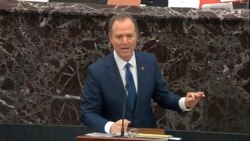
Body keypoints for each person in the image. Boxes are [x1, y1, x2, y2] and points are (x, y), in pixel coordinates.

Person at [81, 14, 205, 134]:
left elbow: (163, 96)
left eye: (129, 36)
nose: (125, 41)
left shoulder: (149, 62)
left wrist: (185, 102)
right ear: (110, 38)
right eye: (119, 37)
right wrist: (110, 127)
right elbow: (88, 113)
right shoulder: (98, 71)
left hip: (146, 134)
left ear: (137, 36)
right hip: (115, 138)